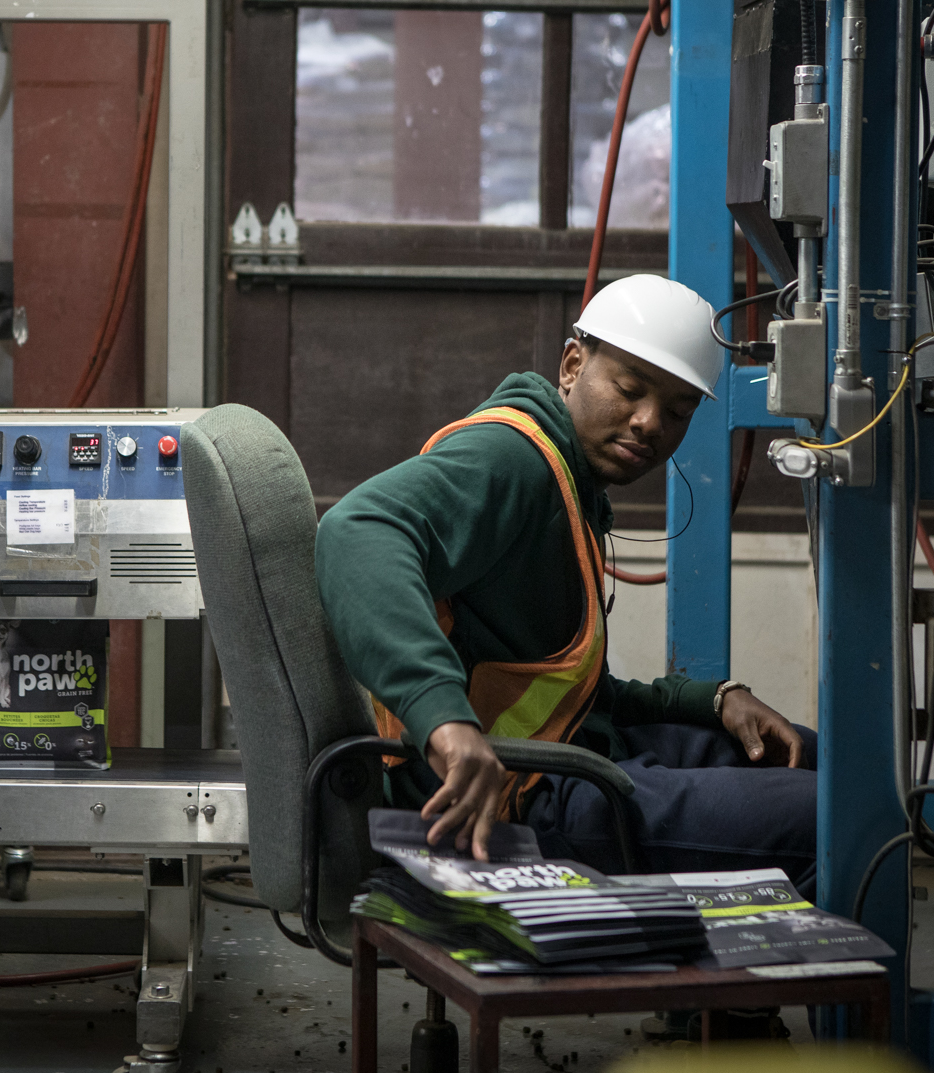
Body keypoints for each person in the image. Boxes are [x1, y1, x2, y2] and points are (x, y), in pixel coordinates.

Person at [314, 274, 817, 900]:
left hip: (565, 755)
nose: (649, 423)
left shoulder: (571, 484)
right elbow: (357, 529)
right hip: (508, 800)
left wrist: (712, 699)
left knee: (814, 760)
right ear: (573, 365)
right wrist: (445, 722)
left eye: (679, 411)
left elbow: (573, 696)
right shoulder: (513, 459)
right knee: (828, 816)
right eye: (629, 390)